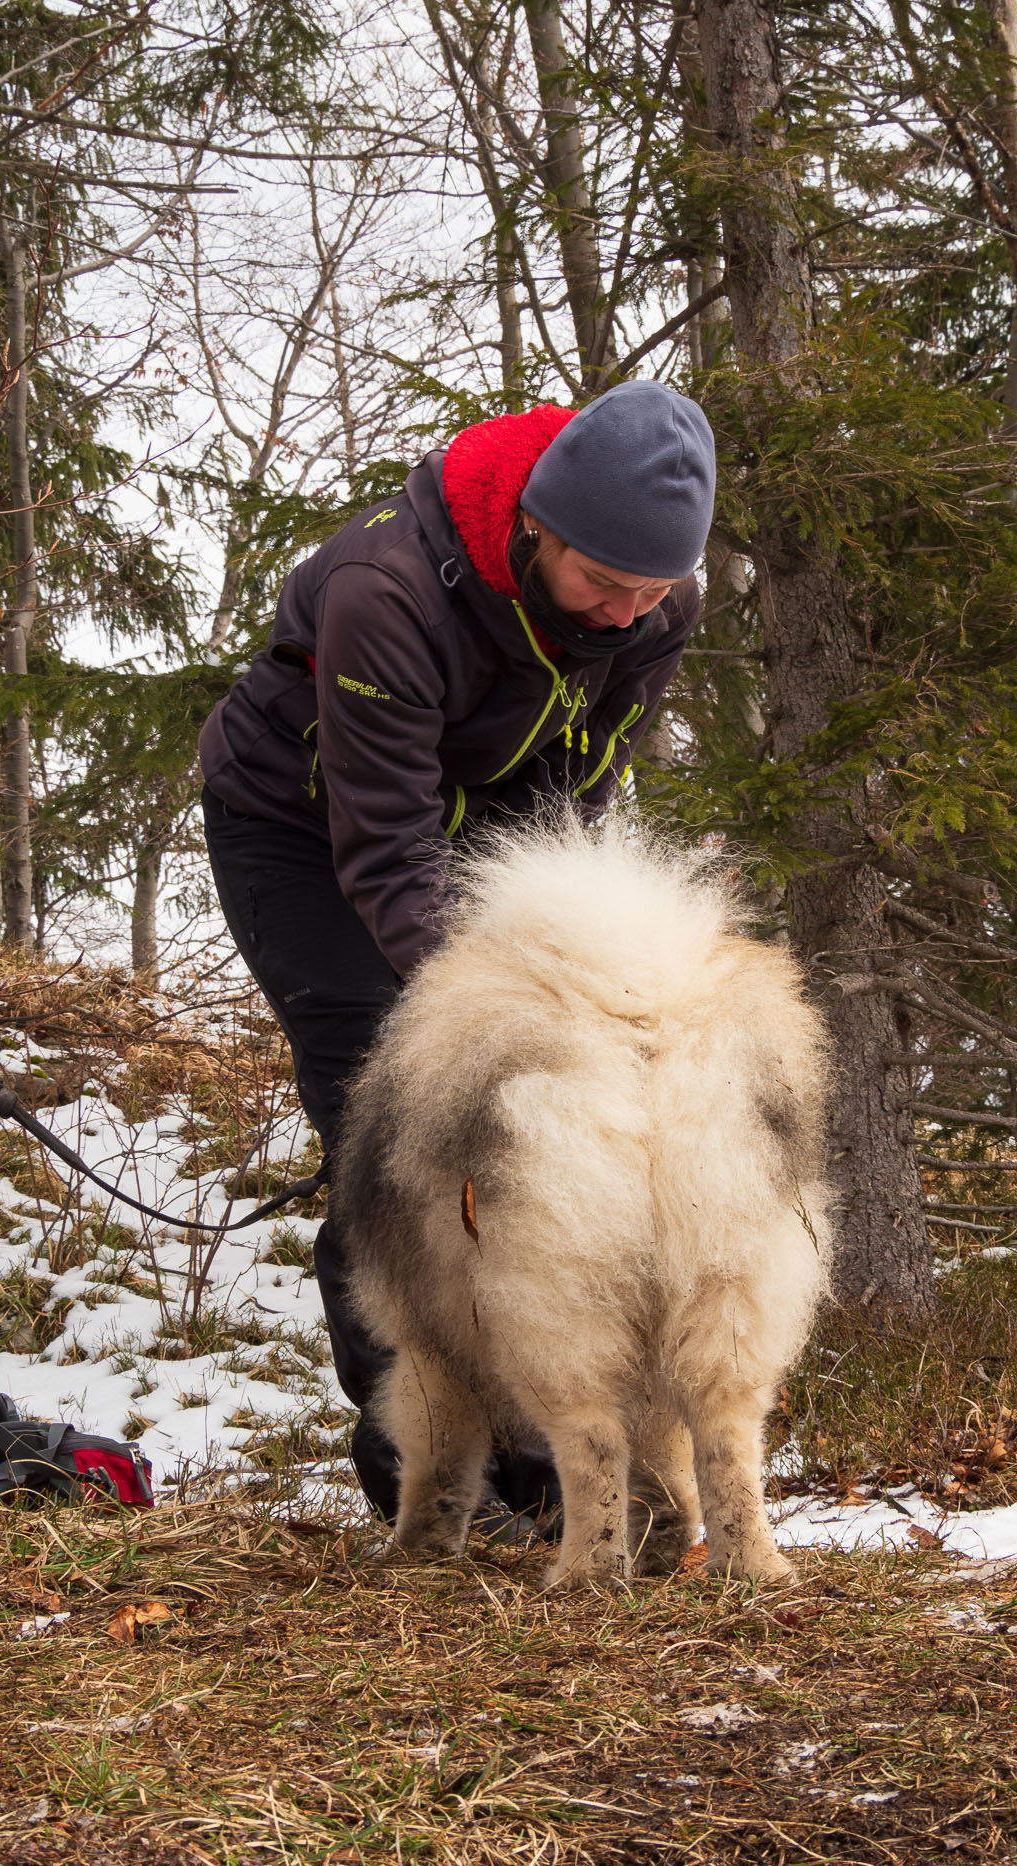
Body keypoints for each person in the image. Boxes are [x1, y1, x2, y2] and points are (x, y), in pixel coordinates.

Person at [198, 380, 716, 1529]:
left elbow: (575, 793)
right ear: (536, 525)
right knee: (395, 1122)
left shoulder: (655, 606)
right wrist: (487, 1015)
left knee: (539, 1138)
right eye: (601, 583)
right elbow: (382, 850)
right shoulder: (384, 592)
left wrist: (572, 971)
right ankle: (424, 1476)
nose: (626, 613)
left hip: (481, 817)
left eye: (651, 589)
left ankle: (554, 1465)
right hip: (302, 828)